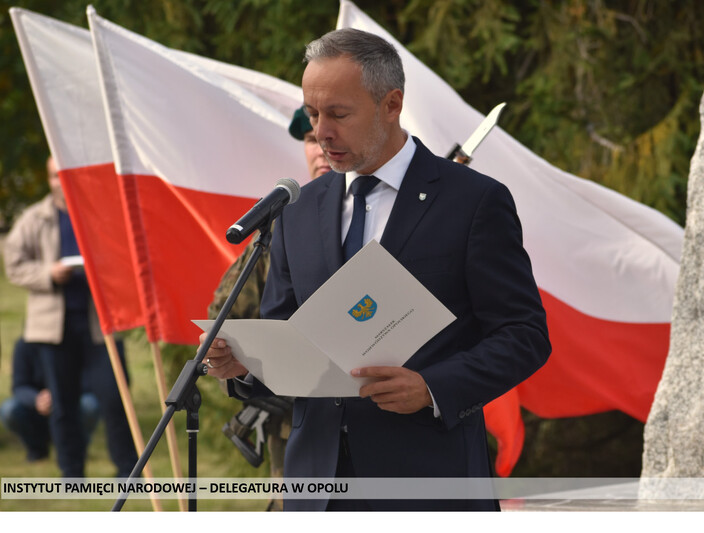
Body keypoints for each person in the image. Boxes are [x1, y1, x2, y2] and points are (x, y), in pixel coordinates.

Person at [202, 28, 551, 511]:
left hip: (428, 482)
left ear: (392, 104)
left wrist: (433, 387)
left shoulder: (473, 201)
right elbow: (283, 334)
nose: (322, 131)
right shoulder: (297, 210)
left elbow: (524, 334)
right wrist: (245, 366)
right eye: (312, 114)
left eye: (338, 114)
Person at [207, 107, 328, 510]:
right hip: (298, 432)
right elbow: (223, 324)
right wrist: (250, 376)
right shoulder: (282, 226)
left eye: (327, 136)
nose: (321, 149)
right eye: (310, 140)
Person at [3, 157, 138, 478]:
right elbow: (13, 264)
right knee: (62, 405)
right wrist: (47, 274)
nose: (60, 183)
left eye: (65, 175)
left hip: (100, 323)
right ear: (48, 179)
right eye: (53, 177)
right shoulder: (35, 218)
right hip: (53, 327)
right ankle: (72, 475)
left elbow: (127, 255)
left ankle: (128, 472)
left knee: (116, 398)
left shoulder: (100, 213)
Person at [0, 337, 100, 462]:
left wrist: (61, 394)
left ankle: (77, 449)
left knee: (89, 404)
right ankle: (37, 450)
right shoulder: (24, 345)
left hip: (71, 401)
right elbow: (19, 386)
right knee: (9, 409)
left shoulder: (76, 342)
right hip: (36, 407)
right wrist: (36, 399)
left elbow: (89, 382)